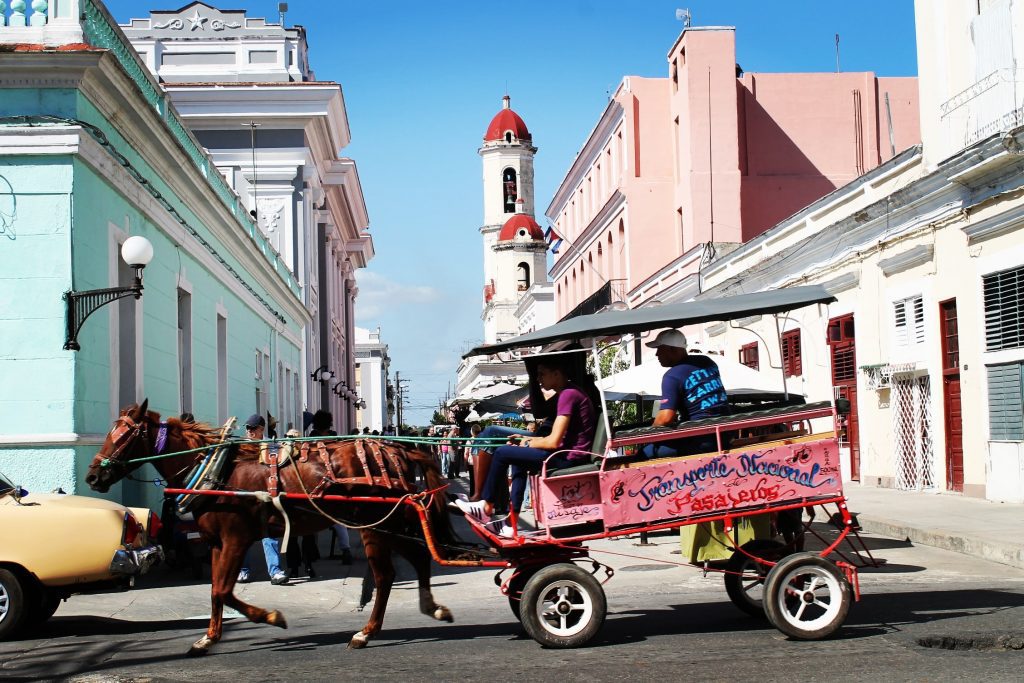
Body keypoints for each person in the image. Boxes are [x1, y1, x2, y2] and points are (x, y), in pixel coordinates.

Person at [456, 358, 596, 537]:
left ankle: (486, 506)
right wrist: (523, 439)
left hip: (566, 458)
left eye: (542, 374)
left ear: (557, 373)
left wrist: (527, 442)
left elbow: (553, 442)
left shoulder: (568, 395)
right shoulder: (568, 393)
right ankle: (511, 521)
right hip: (564, 454)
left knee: (501, 453)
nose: (539, 379)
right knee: (517, 457)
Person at [642, 329, 728, 458]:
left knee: (644, 453)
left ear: (673, 350)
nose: (657, 354)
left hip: (701, 440)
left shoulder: (671, 376)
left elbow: (665, 418)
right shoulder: (707, 361)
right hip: (726, 434)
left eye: (660, 349)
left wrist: (647, 434)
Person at [237, 413, 289, 586]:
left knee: (269, 534)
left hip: (265, 495)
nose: (249, 432)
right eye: (247, 428)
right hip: (246, 497)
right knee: (243, 535)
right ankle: (243, 571)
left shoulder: (272, 446)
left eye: (253, 429)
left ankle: (275, 572)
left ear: (261, 429)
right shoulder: (241, 446)